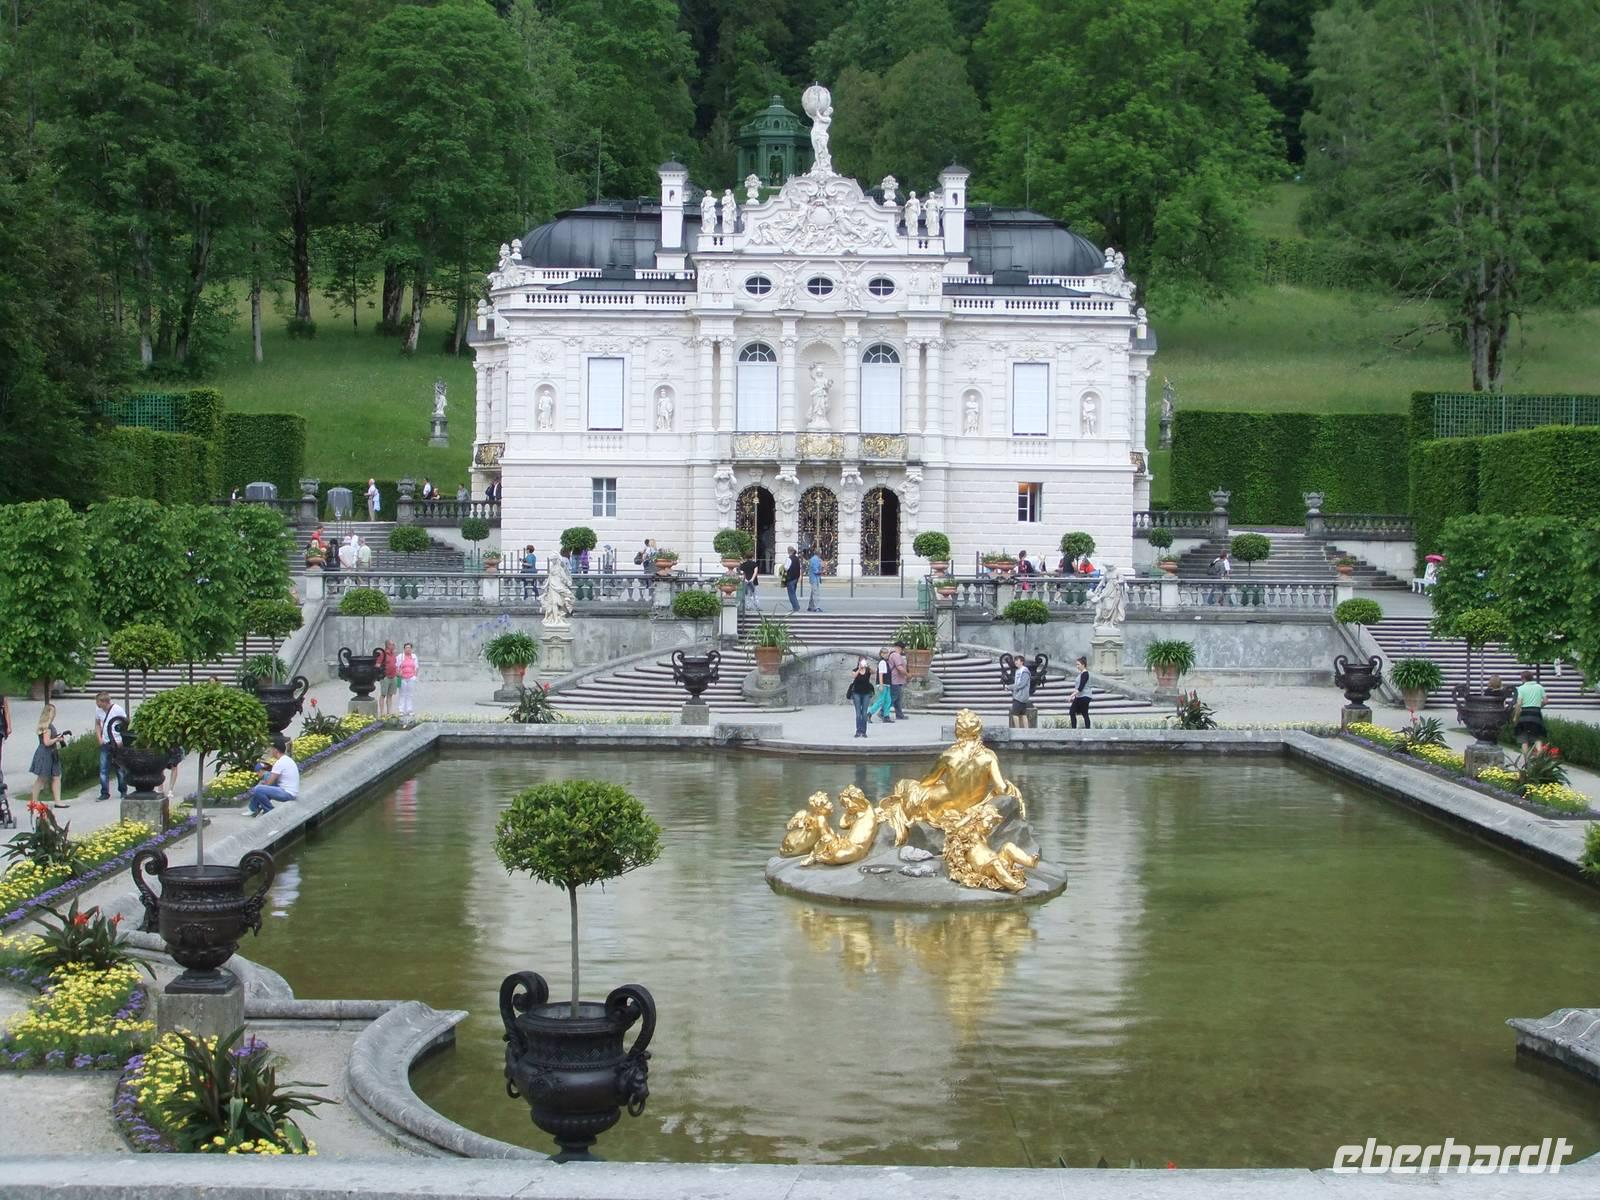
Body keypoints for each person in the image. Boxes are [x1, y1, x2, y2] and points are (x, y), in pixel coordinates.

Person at [246, 737, 300, 816]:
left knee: (258, 789)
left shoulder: (280, 763)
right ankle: (254, 808)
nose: (271, 752)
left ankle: (269, 810)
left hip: (287, 794)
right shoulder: (287, 759)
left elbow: (269, 783)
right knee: (266, 778)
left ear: (276, 750)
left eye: (271, 749)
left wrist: (261, 784)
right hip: (291, 792)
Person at [30, 705, 69, 811]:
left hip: (52, 753)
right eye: (53, 712)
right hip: (45, 754)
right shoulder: (47, 726)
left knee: (56, 776)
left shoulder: (48, 725)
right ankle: (33, 802)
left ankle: (58, 801)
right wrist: (57, 739)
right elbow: (47, 742)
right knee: (41, 778)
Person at [94, 692, 128, 801]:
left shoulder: (117, 709)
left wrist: (122, 739)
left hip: (117, 742)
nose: (97, 705)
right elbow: (98, 724)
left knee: (120, 768)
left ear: (104, 702)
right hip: (105, 742)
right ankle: (104, 792)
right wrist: (99, 738)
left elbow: (125, 723)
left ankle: (123, 790)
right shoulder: (98, 711)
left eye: (99, 702)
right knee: (103, 769)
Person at [1514, 670, 1548, 752]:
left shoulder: (1521, 688)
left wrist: (1515, 717)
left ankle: (1526, 761)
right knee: (1537, 738)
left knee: (1524, 739)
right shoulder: (1539, 687)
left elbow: (1519, 704)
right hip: (1536, 713)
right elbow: (1546, 701)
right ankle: (1539, 756)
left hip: (1525, 713)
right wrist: (1539, 706)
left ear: (1523, 679)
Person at [847, 658, 875, 738]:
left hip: (866, 693)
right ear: (858, 662)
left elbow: (874, 672)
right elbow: (854, 676)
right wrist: (859, 669)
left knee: (864, 712)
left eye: (864, 661)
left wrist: (869, 666)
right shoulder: (855, 670)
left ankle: (864, 731)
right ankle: (858, 731)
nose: (863, 663)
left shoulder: (868, 670)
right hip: (856, 693)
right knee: (858, 713)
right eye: (861, 661)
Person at [869, 650, 896, 723]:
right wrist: (881, 685)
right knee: (880, 700)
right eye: (885, 653)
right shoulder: (882, 662)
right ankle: (869, 713)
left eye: (887, 653)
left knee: (888, 700)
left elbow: (877, 671)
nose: (887, 654)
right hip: (883, 684)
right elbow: (880, 674)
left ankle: (886, 716)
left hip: (886, 684)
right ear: (881, 654)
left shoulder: (885, 662)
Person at [1010, 652, 1033, 728]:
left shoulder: (1025, 671)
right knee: (1023, 714)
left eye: (1017, 660)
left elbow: (1022, 684)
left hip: (1020, 696)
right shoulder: (1018, 671)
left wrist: (1010, 687)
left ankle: (1017, 731)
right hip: (1020, 695)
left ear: (1022, 662)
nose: (1015, 662)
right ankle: (1026, 731)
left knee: (1014, 714)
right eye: (1015, 660)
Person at [1069, 655, 1092, 729]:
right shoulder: (1081, 674)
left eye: (1078, 664)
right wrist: (1074, 695)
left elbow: (1080, 688)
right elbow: (1078, 687)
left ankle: (1087, 730)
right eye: (1076, 664)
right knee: (1072, 712)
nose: (1077, 666)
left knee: (1084, 713)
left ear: (1083, 665)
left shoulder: (1085, 674)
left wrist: (1071, 696)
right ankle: (1074, 730)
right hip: (1079, 696)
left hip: (1085, 697)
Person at [397, 642, 420, 716]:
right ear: (404, 649)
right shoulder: (400, 656)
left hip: (411, 677)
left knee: (410, 694)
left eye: (409, 648)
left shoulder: (414, 657)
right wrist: (399, 674)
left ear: (411, 649)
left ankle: (409, 709)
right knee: (402, 694)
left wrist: (414, 676)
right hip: (402, 678)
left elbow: (416, 667)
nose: (408, 649)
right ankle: (401, 710)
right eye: (406, 648)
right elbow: (396, 666)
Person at [888, 641, 908, 720]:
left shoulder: (892, 654)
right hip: (895, 680)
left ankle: (899, 714)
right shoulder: (896, 655)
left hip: (897, 680)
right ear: (900, 648)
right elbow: (899, 667)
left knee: (898, 699)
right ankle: (883, 712)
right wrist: (907, 674)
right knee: (893, 697)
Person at [377, 641, 397, 718]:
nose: (394, 646)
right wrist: (380, 674)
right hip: (385, 677)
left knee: (390, 695)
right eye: (392, 644)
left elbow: (394, 665)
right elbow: (378, 665)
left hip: (393, 676)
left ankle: (389, 712)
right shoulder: (383, 654)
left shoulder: (393, 655)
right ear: (388, 645)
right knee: (383, 694)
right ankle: (382, 712)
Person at [783, 547, 802, 613]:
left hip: (790, 578)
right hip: (796, 577)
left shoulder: (789, 559)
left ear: (789, 551)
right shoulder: (797, 559)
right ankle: (795, 606)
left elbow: (786, 568)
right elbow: (800, 568)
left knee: (791, 593)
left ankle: (796, 607)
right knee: (793, 592)